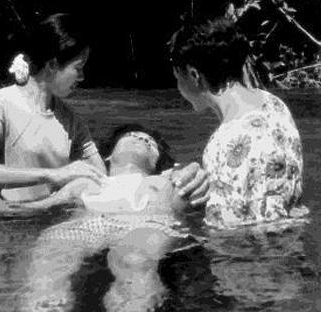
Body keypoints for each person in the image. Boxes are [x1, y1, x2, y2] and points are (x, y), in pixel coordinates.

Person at [0, 13, 209, 213]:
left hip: (52, 220)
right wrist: (53, 174)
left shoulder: (71, 119)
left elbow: (105, 180)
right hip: (6, 221)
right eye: (78, 67)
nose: (82, 77)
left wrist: (172, 177)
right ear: (52, 65)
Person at [17, 124, 199, 311]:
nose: (142, 140)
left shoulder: (163, 180)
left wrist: (188, 173)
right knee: (53, 247)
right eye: (132, 135)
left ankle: (133, 306)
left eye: (150, 143)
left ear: (157, 163)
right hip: (88, 224)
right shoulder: (84, 182)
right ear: (109, 155)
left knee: (134, 258)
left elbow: (189, 182)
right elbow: (39, 206)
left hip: (145, 223)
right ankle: (45, 304)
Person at [170, 17, 308, 229]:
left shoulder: (223, 144)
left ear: (194, 75)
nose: (179, 88)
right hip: (292, 236)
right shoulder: (274, 104)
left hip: (255, 247)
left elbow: (224, 231)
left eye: (178, 78)